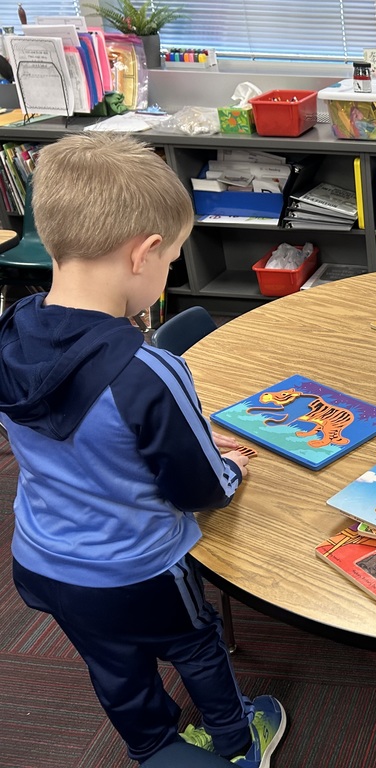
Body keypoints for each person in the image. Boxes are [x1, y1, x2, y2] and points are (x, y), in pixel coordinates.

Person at [0, 134, 286, 766]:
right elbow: (198, 490)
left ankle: (152, 741)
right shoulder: (147, 370)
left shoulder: (11, 330)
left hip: (41, 558)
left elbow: (71, 429)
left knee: (111, 660)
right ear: (146, 253)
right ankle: (241, 742)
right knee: (198, 646)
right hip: (136, 569)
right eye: (174, 258)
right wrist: (230, 465)